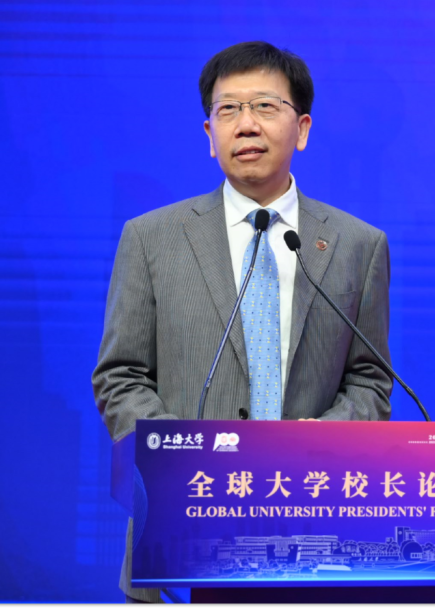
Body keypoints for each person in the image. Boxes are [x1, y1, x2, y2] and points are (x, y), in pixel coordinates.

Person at [92, 41, 393, 602]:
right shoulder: (152, 239)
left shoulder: (358, 245)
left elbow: (370, 380)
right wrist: (176, 453)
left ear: (302, 129)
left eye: (265, 106)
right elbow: (120, 375)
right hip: (182, 531)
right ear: (210, 135)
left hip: (310, 527)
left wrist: (323, 440)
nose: (246, 124)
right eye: (228, 109)